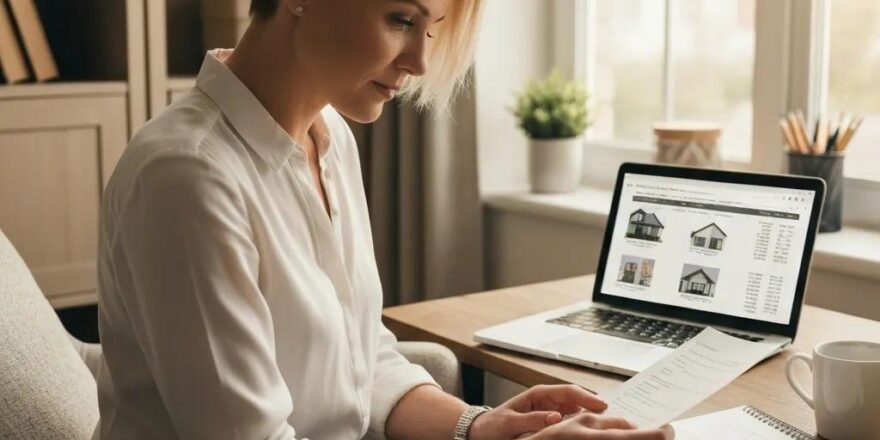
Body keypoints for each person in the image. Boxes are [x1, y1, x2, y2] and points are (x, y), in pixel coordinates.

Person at [92, 0, 673, 438]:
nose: (421, 61)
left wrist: (481, 427)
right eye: (400, 19)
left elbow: (359, 356)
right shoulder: (186, 177)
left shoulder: (330, 137)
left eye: (431, 30)